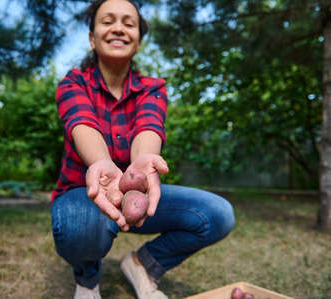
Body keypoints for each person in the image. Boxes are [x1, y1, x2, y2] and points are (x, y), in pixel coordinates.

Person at [50, 0, 235, 298]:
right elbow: (82, 123)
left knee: (217, 214)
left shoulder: (153, 88)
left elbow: (148, 128)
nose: (118, 28)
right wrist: (101, 162)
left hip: (138, 196)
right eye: (107, 21)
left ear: (138, 41)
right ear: (92, 38)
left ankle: (144, 265)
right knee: (81, 224)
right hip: (85, 195)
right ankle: (87, 280)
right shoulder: (74, 83)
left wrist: (142, 164)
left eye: (128, 23)